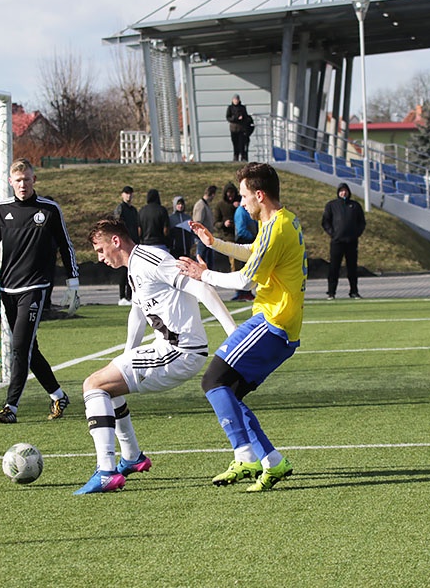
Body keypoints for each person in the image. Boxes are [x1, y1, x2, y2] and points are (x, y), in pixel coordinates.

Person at [75, 218, 237, 494]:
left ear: (116, 241)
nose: (100, 258)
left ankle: (106, 471)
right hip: (171, 349)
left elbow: (200, 288)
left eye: (101, 250)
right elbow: (138, 312)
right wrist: (127, 354)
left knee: (93, 385)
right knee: (110, 386)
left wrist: (233, 333)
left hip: (179, 352)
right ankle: (132, 457)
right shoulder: (135, 266)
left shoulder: (152, 259)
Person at [177, 162, 307, 492]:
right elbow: (253, 253)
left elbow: (244, 278)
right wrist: (214, 242)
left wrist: (202, 274)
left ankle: (245, 455)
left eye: (245, 195)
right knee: (229, 394)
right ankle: (272, 461)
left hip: (273, 321)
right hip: (279, 322)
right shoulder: (282, 221)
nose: (241, 202)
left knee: (212, 380)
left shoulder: (276, 227)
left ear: (260, 195)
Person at [0, 158, 80, 423]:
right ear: (11, 181)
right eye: (18, 180)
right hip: (8, 289)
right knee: (28, 348)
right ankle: (58, 395)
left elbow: (66, 246)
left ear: (34, 180)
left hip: (36, 287)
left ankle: (11, 407)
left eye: (27, 179)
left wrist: (73, 282)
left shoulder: (49, 210)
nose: (22, 184)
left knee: (20, 345)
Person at [321, 182, 366, 300]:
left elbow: (361, 222)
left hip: (351, 242)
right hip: (337, 242)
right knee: (334, 267)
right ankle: (331, 292)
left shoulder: (355, 205)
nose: (343, 193)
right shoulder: (332, 205)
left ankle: (354, 291)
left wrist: (356, 233)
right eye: (341, 191)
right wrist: (333, 233)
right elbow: (325, 221)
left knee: (352, 268)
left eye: (345, 190)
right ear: (338, 192)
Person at [113, 185, 140, 306]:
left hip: (133, 243)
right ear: (122, 195)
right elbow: (117, 224)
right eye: (126, 193)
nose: (129, 195)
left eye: (130, 193)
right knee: (123, 270)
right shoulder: (121, 208)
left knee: (131, 270)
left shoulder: (133, 210)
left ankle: (130, 296)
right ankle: (122, 296)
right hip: (123, 243)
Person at [232, 189, 257, 301]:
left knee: (249, 267)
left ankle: (246, 291)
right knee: (244, 267)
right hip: (244, 242)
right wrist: (254, 238)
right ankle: (242, 292)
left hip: (250, 242)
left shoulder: (248, 211)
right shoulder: (241, 212)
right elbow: (241, 230)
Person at [192, 184, 217, 269]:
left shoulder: (205, 205)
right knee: (202, 261)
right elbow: (198, 222)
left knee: (209, 262)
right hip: (202, 239)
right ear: (212, 194)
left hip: (207, 238)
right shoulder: (201, 205)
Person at [226, 94, 253, 162]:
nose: (236, 101)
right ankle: (236, 157)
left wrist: (242, 118)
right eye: (235, 99)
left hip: (241, 129)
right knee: (235, 144)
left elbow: (246, 117)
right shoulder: (230, 108)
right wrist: (235, 118)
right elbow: (228, 117)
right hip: (233, 129)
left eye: (237, 99)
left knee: (242, 144)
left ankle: (243, 157)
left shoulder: (242, 108)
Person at [168, 195, 193, 259]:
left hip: (186, 249)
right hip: (175, 250)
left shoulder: (188, 218)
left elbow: (191, 232)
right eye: (178, 204)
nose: (180, 206)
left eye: (182, 204)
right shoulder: (171, 218)